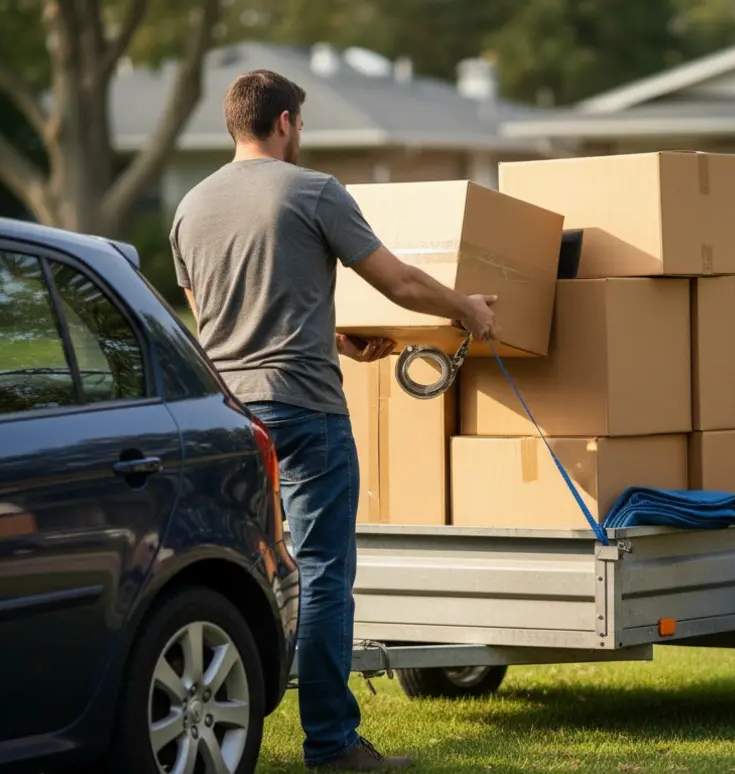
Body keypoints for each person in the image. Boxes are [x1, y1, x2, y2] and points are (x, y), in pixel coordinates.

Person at [170, 69, 497, 771]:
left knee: (236, 573)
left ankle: (227, 720)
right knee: (321, 573)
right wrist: (465, 309)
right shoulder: (313, 189)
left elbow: (217, 321)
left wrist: (337, 336)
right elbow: (399, 281)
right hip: (305, 409)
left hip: (226, 416)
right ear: (285, 122)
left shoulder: (189, 208)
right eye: (301, 124)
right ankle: (331, 744)